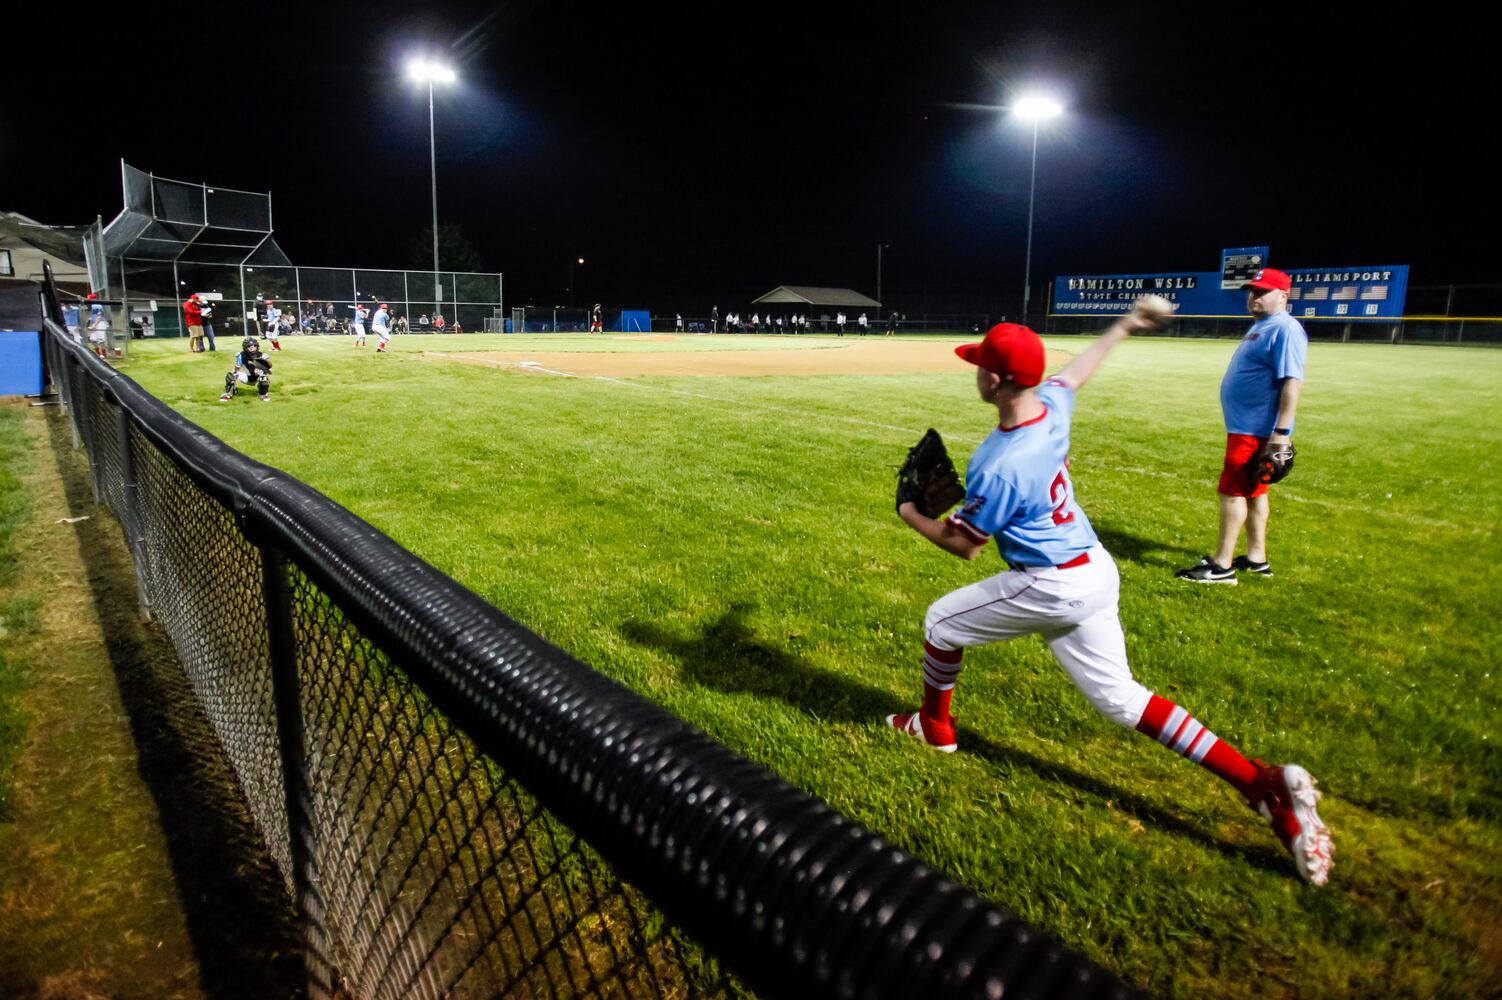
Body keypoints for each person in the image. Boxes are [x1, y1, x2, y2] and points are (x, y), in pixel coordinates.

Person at [885, 306, 1333, 886]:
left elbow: (963, 544)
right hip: (1094, 567)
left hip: (1049, 582)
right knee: (1122, 700)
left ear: (994, 381)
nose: (975, 372)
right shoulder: (1051, 402)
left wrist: (909, 513)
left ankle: (935, 728)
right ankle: (1259, 782)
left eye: (979, 366)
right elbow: (1079, 371)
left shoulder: (998, 461)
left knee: (942, 622)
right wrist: (1124, 325)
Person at [1176, 268, 1308, 584]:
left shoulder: (1285, 329)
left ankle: (1221, 567)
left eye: (1262, 291)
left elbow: (1292, 381)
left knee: (1231, 492)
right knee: (1254, 492)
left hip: (1254, 429)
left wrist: (1281, 433)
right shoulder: (1263, 326)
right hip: (1247, 426)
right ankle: (1256, 558)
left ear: (1283, 296)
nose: (1254, 296)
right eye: (1252, 291)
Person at [220, 336, 272, 403]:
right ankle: (230, 393)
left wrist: (262, 370)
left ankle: (263, 394)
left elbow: (270, 371)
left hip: (258, 379)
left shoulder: (263, 356)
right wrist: (234, 374)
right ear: (245, 348)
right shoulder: (241, 355)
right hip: (247, 377)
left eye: (254, 346)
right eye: (250, 347)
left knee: (264, 377)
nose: (252, 349)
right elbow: (237, 368)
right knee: (230, 375)